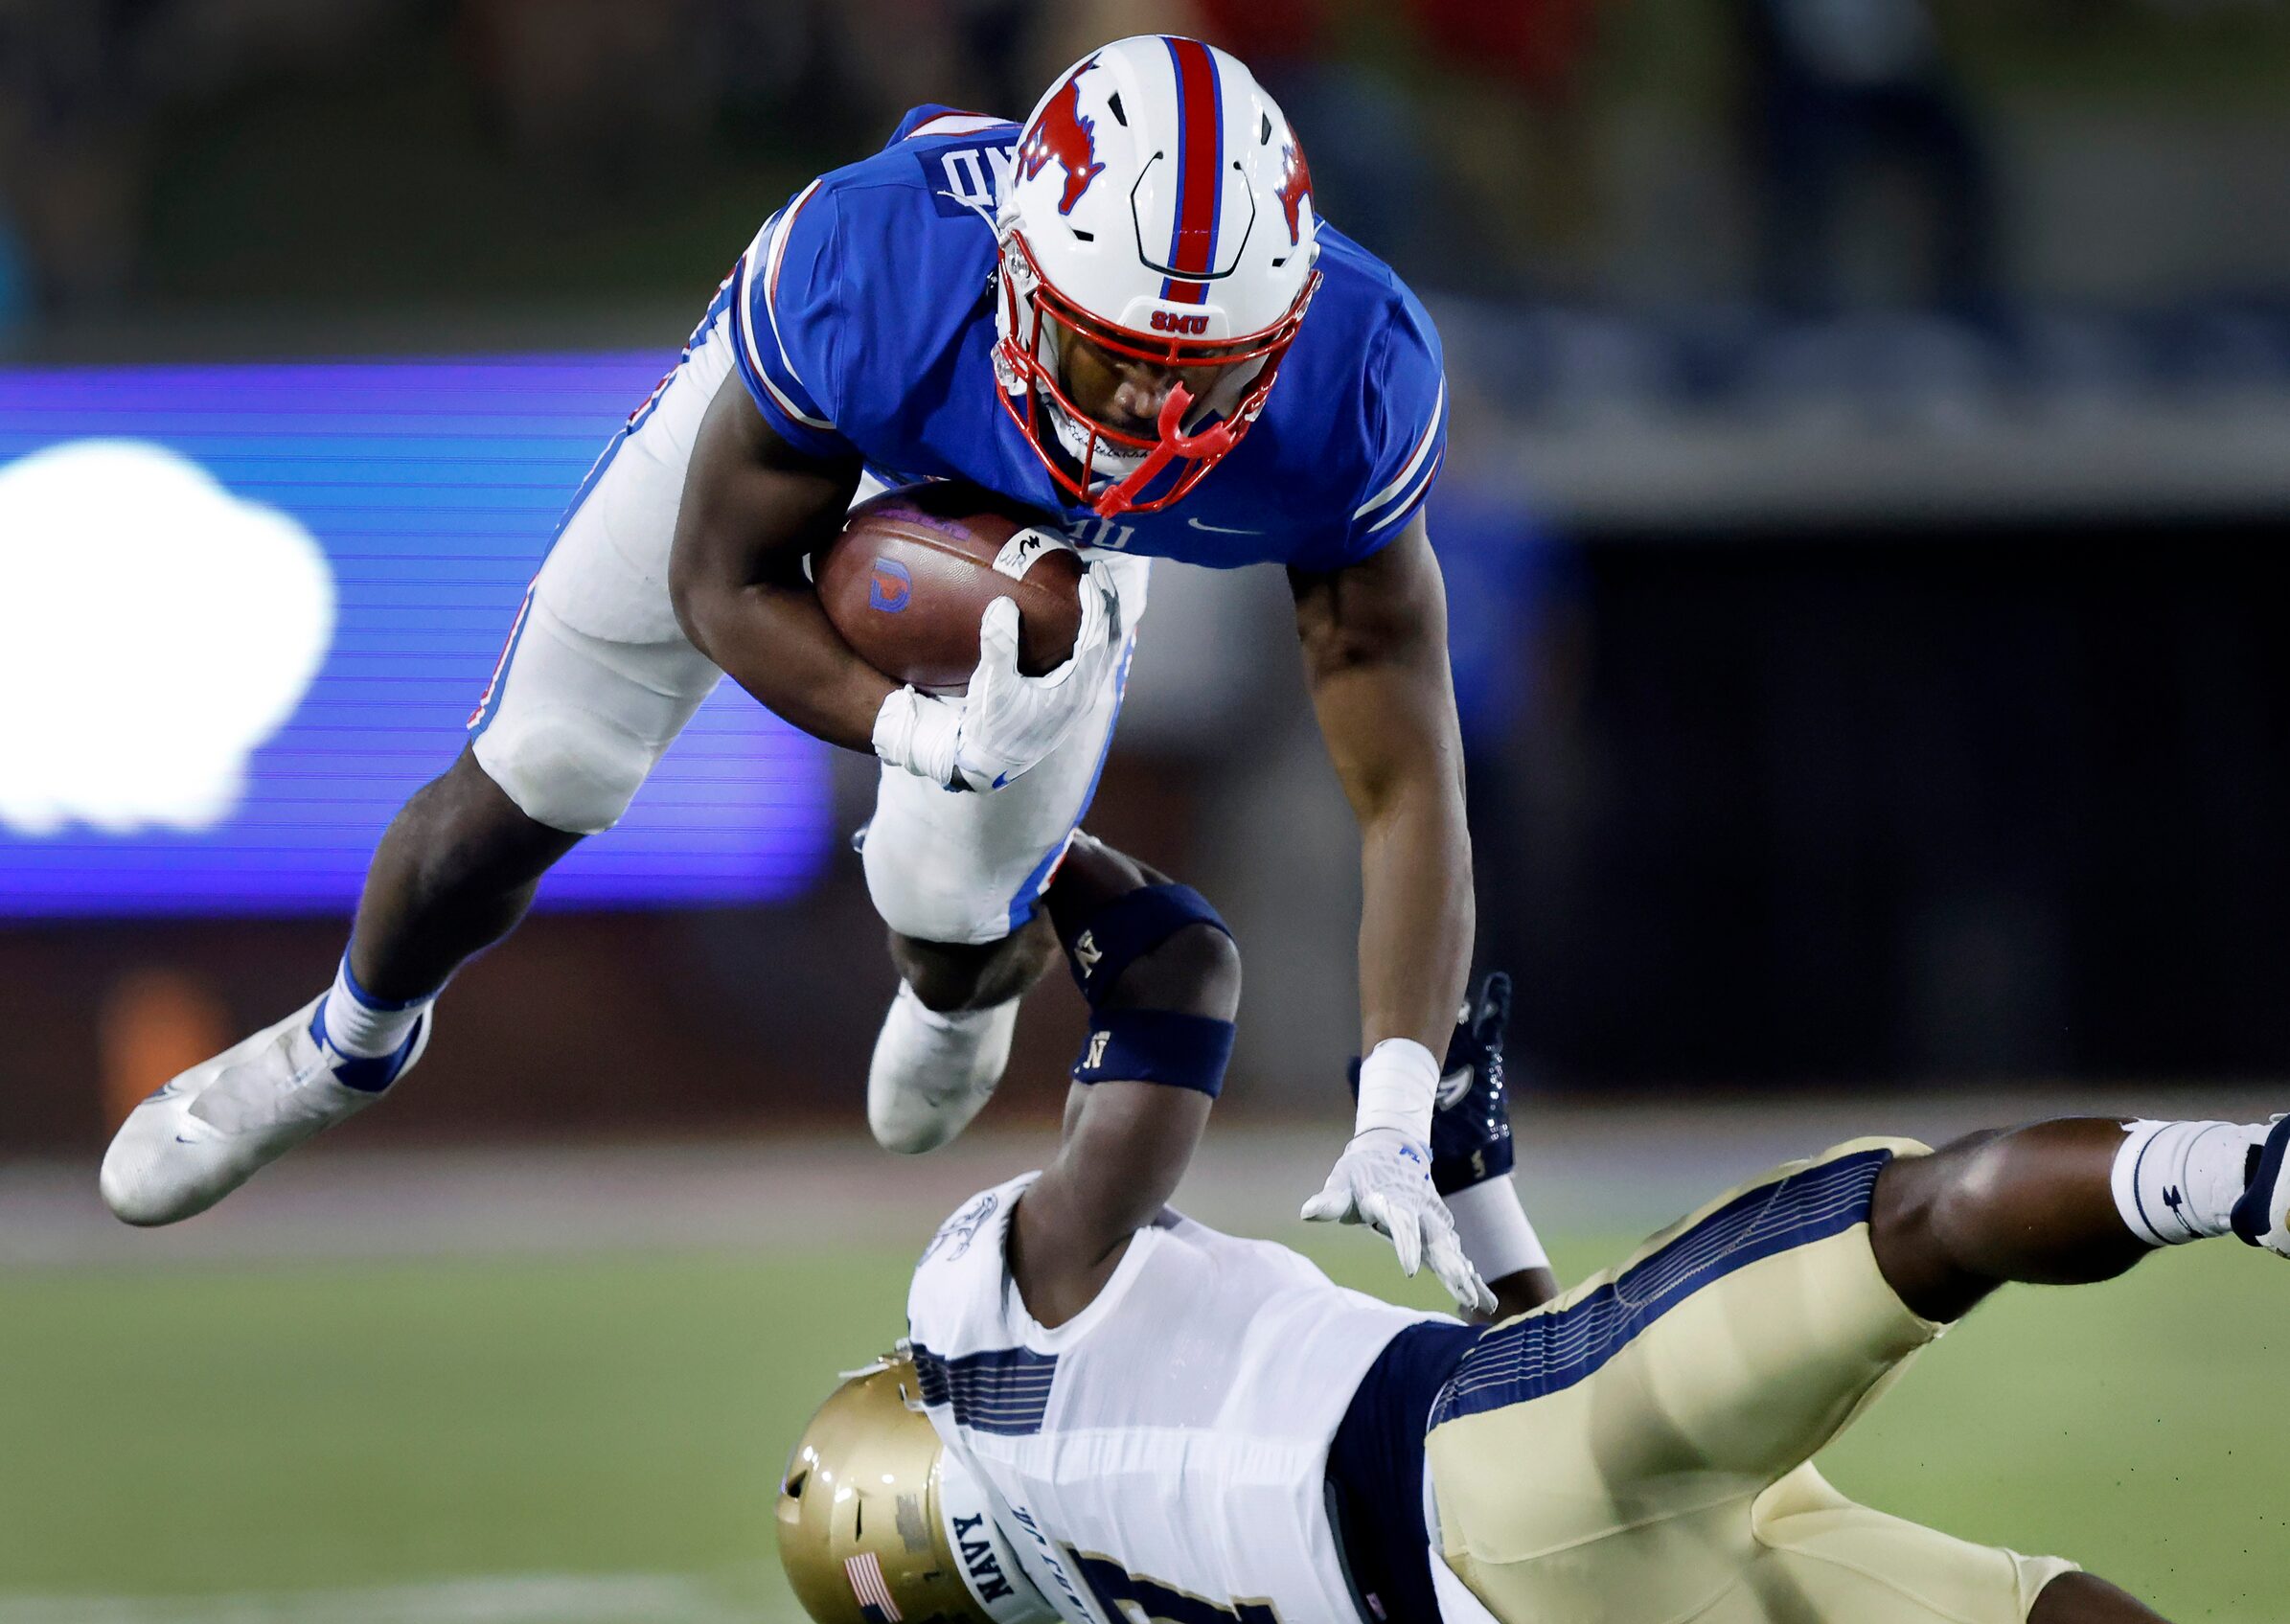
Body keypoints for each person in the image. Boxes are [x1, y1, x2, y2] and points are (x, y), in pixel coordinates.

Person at [101, 36, 1490, 1309]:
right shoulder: (872, 271)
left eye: (1205, 371)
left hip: (1054, 550)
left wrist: (1393, 1103)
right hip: (864, 411)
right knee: (542, 764)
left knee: (950, 905)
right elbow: (721, 581)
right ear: (1023, 277)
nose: (1155, 412)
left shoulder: (1351, 385)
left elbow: (1407, 773)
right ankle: (345, 1042)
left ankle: (958, 993)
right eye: (1114, 358)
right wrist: (904, 727)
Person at [777, 835, 2290, 1624]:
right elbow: (1176, 978)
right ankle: (2261, 1177)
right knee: (1918, 1214)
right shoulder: (987, 1337)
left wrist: (1486, 1208)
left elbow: (1512, 1510)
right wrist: (993, 831)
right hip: (1509, 1471)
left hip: (1595, 1616)